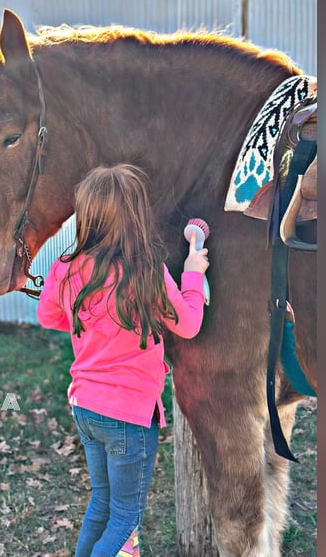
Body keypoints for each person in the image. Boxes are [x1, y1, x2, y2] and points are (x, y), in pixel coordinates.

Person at [36, 164, 209, 557]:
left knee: (101, 505)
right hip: (129, 416)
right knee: (125, 517)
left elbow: (48, 316)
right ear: (136, 215)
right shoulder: (146, 272)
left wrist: (88, 321)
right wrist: (194, 275)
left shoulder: (65, 268)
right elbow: (189, 324)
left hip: (85, 408)